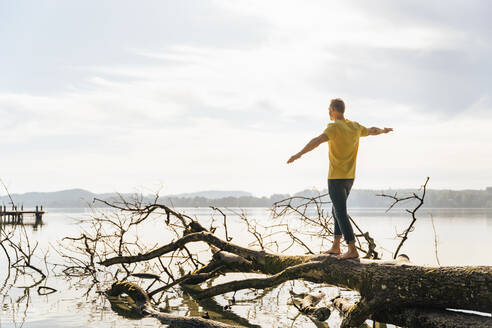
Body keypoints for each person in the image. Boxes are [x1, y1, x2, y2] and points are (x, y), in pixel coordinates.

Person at [286, 98, 393, 259]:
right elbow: (372, 130)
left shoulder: (335, 127)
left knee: (340, 211)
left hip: (336, 177)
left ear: (334, 110)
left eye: (329, 109)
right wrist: (384, 131)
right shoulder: (354, 126)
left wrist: (298, 154)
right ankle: (336, 246)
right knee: (336, 209)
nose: (328, 112)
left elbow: (317, 141)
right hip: (349, 178)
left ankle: (352, 249)